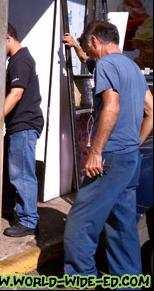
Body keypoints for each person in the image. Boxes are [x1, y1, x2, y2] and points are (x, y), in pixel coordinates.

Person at [63, 21, 153, 277]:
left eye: (87, 47)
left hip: (110, 158)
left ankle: (82, 278)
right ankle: (128, 282)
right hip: (129, 158)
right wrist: (134, 143)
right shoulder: (131, 67)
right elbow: (152, 111)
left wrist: (96, 152)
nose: (89, 54)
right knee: (120, 224)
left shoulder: (106, 64)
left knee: (81, 223)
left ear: (95, 41)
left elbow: (112, 107)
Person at [2, 23, 45, 237]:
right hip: (18, 126)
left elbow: (16, 94)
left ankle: (29, 221)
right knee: (11, 170)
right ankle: (8, 208)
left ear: (8, 37)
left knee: (22, 173)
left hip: (24, 125)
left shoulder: (21, 60)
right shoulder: (17, 60)